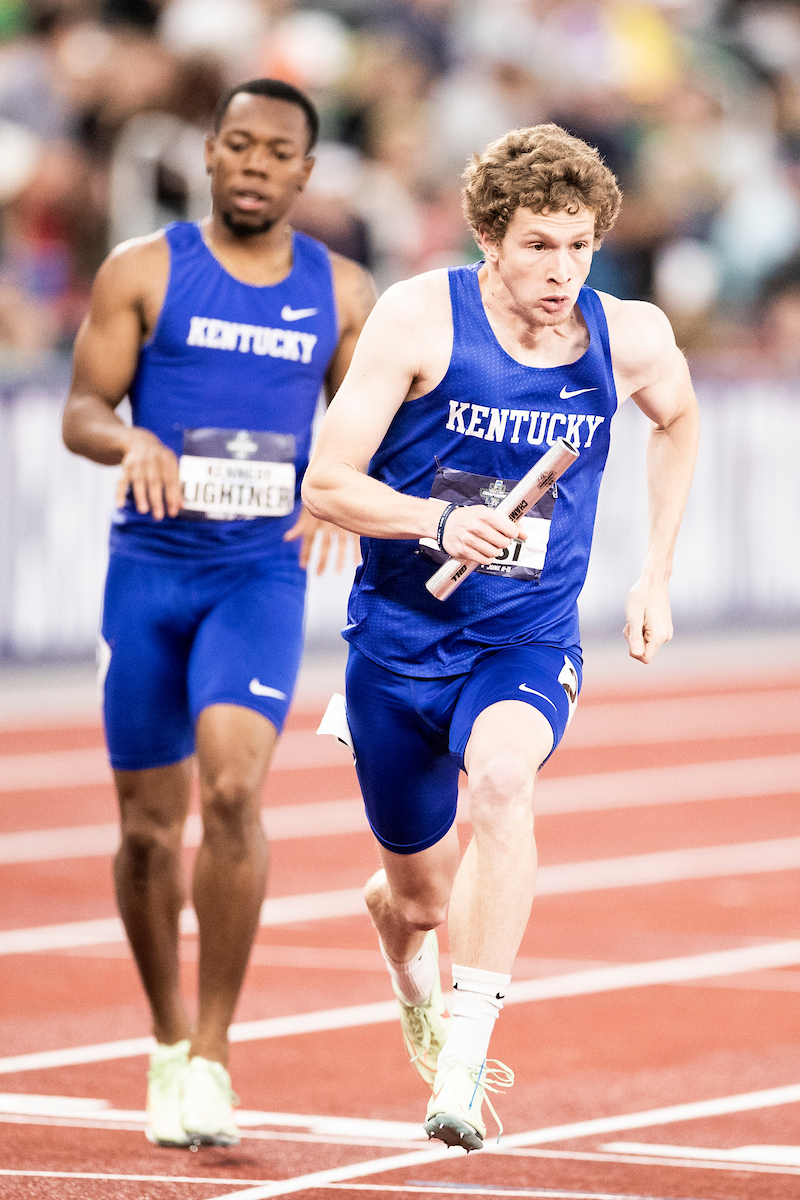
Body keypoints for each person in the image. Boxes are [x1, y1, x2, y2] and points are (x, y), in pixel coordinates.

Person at [303, 124, 700, 1151]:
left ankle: (465, 1062)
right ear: (487, 235)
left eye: (576, 246)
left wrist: (653, 570)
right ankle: (406, 955)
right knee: (422, 898)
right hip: (397, 641)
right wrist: (435, 521)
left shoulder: (630, 334)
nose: (559, 270)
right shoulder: (416, 320)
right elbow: (326, 482)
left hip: (523, 640)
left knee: (505, 783)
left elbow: (678, 418)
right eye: (536, 246)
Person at [62, 78, 375, 1149]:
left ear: (304, 172)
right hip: (149, 573)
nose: (251, 163)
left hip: (258, 574)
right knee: (149, 832)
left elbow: (372, 425)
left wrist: (346, 493)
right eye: (234, 144)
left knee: (234, 788)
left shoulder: (343, 293)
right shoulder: (143, 270)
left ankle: (213, 1051)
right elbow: (82, 408)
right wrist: (130, 441)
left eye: (273, 150)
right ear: (206, 154)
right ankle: (160, 1038)